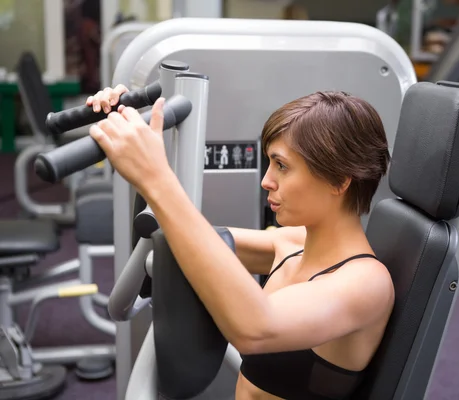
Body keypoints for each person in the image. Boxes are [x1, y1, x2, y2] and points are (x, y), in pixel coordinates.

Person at [88, 86, 395, 399]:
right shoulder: (291, 243)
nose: (266, 180)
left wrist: (156, 177)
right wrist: (124, 128)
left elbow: (255, 328)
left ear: (339, 181)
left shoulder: (366, 284)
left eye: (282, 166)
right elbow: (190, 240)